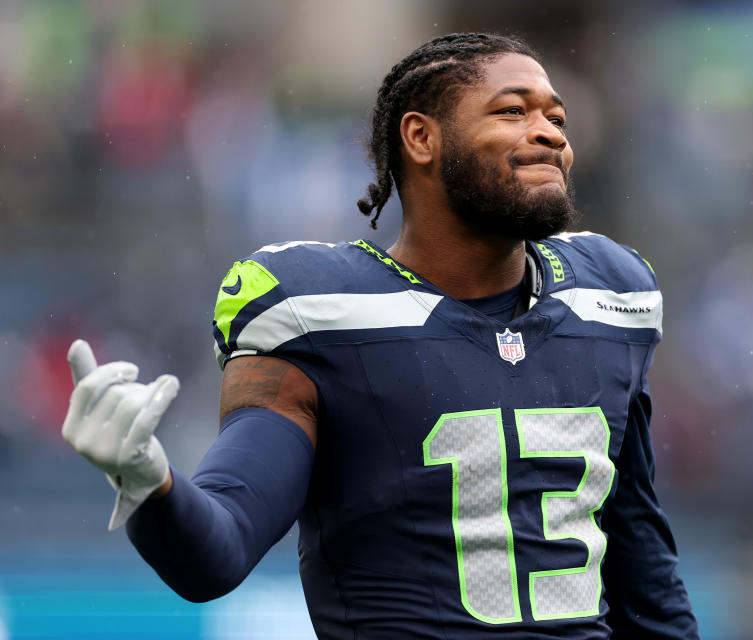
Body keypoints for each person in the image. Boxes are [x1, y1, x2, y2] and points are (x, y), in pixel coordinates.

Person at [62, 33, 700, 639]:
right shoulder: (321, 313)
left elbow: (643, 572)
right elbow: (217, 552)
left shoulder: (610, 296)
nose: (548, 133)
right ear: (421, 137)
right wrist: (149, 483)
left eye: (556, 118)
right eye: (511, 111)